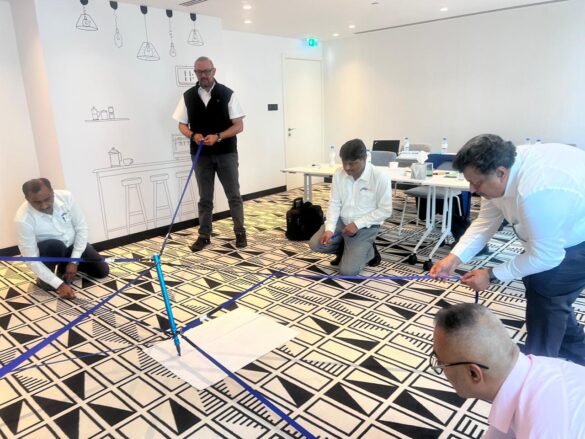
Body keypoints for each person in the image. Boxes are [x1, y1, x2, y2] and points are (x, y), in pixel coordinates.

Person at [430, 134, 585, 365]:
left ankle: (537, 369)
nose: (472, 189)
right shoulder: (497, 172)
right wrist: (454, 258)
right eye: (469, 182)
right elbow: (485, 223)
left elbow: (547, 256)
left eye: (476, 183)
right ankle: (578, 352)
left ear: (500, 173)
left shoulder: (536, 190)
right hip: (555, 233)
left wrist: (491, 274)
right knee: (540, 289)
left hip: (578, 239)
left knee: (547, 291)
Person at [432, 303, 585, 438]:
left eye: (441, 363)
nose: (440, 368)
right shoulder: (532, 371)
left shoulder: (542, 427)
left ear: (474, 374)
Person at [173, 56, 246, 252]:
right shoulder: (188, 96)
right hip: (201, 155)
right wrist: (192, 135)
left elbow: (239, 126)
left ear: (214, 71)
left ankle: (240, 232)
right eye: (199, 72)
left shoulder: (227, 94)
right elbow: (181, 124)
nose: (203, 75)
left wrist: (218, 136)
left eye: (206, 71)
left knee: (233, 195)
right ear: (195, 73)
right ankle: (204, 235)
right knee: (205, 198)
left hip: (226, 153)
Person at [15, 178, 109, 300]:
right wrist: (59, 284)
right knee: (54, 247)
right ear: (27, 199)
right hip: (50, 251)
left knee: (102, 271)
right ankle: (44, 279)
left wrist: (74, 262)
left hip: (72, 245)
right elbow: (31, 258)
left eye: (47, 199)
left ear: (52, 192)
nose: (44, 205)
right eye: (37, 202)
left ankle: (64, 267)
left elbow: (81, 228)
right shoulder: (23, 219)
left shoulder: (67, 197)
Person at [309, 139, 392, 275]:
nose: (347, 168)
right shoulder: (339, 174)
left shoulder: (380, 177)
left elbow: (385, 210)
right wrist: (329, 229)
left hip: (366, 226)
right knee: (315, 244)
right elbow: (334, 203)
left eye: (352, 163)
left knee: (348, 271)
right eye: (344, 162)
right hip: (342, 222)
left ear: (364, 158)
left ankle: (370, 251)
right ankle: (348, 248)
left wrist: (357, 224)